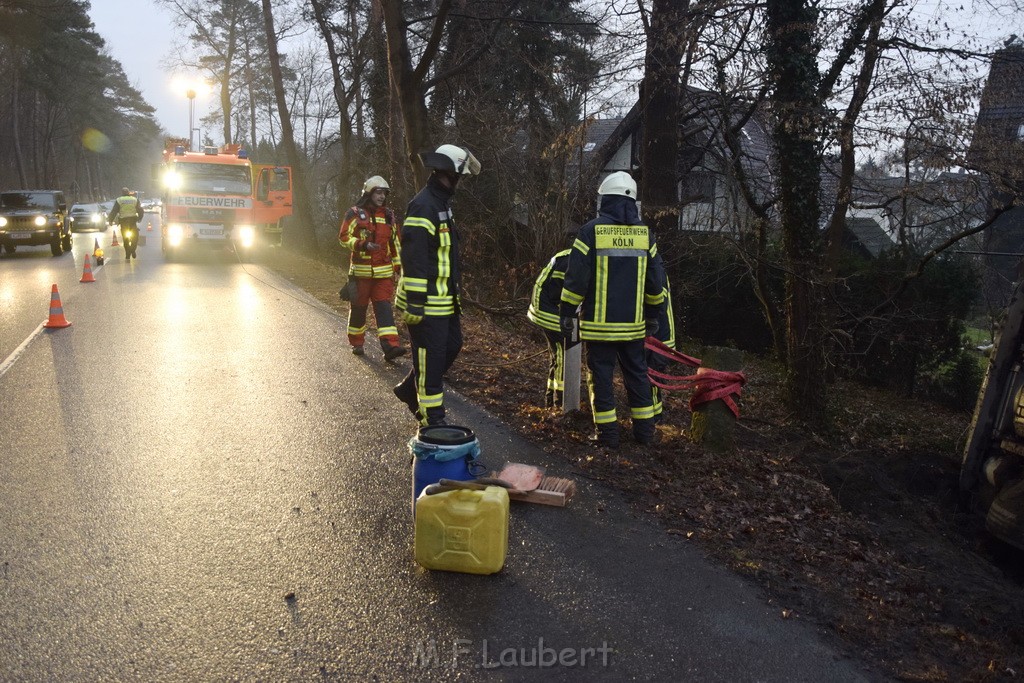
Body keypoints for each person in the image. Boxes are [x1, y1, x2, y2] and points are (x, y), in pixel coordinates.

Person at [559, 171, 665, 448]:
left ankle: (607, 436)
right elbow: (656, 283)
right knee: (637, 377)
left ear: (605, 199)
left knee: (602, 378)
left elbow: (576, 278)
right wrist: (654, 315)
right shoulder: (646, 236)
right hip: (633, 328)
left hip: (599, 327)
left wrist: (567, 311)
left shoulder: (590, 231)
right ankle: (645, 434)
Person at [393, 144, 481, 426]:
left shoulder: (441, 203)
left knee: (452, 346)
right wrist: (416, 302)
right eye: (460, 175)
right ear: (449, 172)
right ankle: (432, 419)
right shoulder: (424, 204)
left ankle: (409, 389)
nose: (461, 181)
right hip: (426, 303)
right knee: (430, 361)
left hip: (444, 301)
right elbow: (414, 258)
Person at [338, 175, 406, 360]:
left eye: (384, 193)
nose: (382, 196)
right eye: (378, 192)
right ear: (369, 193)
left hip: (383, 273)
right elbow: (344, 237)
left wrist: (399, 267)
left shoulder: (389, 216)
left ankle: (390, 347)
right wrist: (361, 244)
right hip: (360, 274)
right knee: (359, 309)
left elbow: (396, 245)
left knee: (384, 308)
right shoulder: (354, 213)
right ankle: (357, 342)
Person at [527, 232, 576, 408]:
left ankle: (549, 398)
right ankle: (560, 400)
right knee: (563, 352)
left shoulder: (564, 256)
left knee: (556, 353)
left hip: (542, 306)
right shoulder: (574, 262)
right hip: (548, 309)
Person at [107, 187, 143, 259]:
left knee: (125, 239)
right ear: (129, 193)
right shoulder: (134, 200)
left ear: (122, 193)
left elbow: (114, 211)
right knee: (135, 238)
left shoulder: (119, 200)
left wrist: (110, 220)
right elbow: (140, 210)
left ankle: (127, 254)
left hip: (123, 222)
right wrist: (139, 218)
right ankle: (133, 250)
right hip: (132, 221)